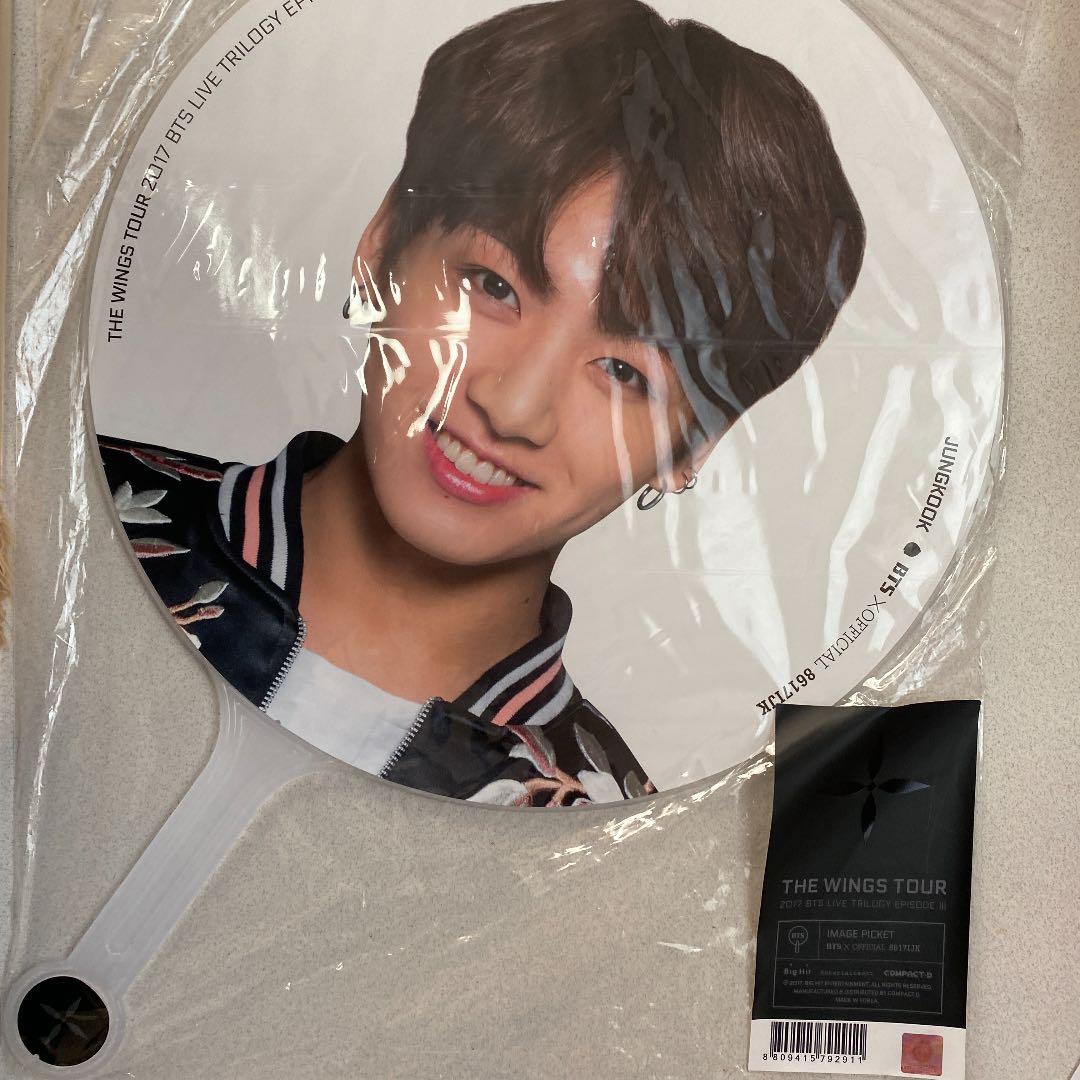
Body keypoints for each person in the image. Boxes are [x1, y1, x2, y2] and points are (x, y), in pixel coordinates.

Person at [98, 0, 866, 805]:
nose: (514, 409)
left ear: (695, 443)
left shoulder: (612, 840)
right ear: (382, 244)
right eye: (494, 286)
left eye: (623, 370)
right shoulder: (59, 501)